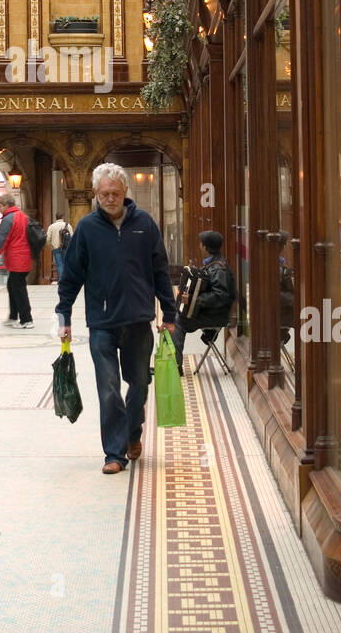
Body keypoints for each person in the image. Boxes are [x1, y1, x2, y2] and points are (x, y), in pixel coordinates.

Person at [56, 163, 176, 474]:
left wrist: (169, 312)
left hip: (138, 320)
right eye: (104, 194)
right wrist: (64, 314)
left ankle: (133, 432)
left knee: (138, 385)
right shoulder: (87, 228)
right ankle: (114, 453)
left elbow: (160, 271)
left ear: (125, 193)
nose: (110, 198)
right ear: (95, 194)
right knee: (108, 388)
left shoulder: (144, 225)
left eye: (115, 193)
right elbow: (71, 275)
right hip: (102, 323)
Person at [173, 231, 236, 373]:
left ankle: (176, 366)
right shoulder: (213, 264)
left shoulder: (218, 269)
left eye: (201, 244)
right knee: (176, 311)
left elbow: (220, 296)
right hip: (212, 312)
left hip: (217, 315)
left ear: (206, 248)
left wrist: (194, 299)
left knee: (178, 321)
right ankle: (175, 361)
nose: (199, 246)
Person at [0, 193, 33, 327]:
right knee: (13, 286)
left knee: (18, 288)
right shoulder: (23, 217)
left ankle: (26, 319)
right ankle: (13, 317)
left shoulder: (8, 219)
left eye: (0, 205)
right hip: (24, 258)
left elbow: (1, 241)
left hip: (17, 259)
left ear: (7, 205)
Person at [46, 214, 73, 281]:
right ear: (62, 217)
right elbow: (72, 237)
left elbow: (48, 239)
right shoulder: (68, 225)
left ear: (56, 218)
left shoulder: (51, 226)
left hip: (56, 248)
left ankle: (61, 280)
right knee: (66, 264)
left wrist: (51, 246)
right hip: (66, 247)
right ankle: (67, 280)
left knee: (59, 264)